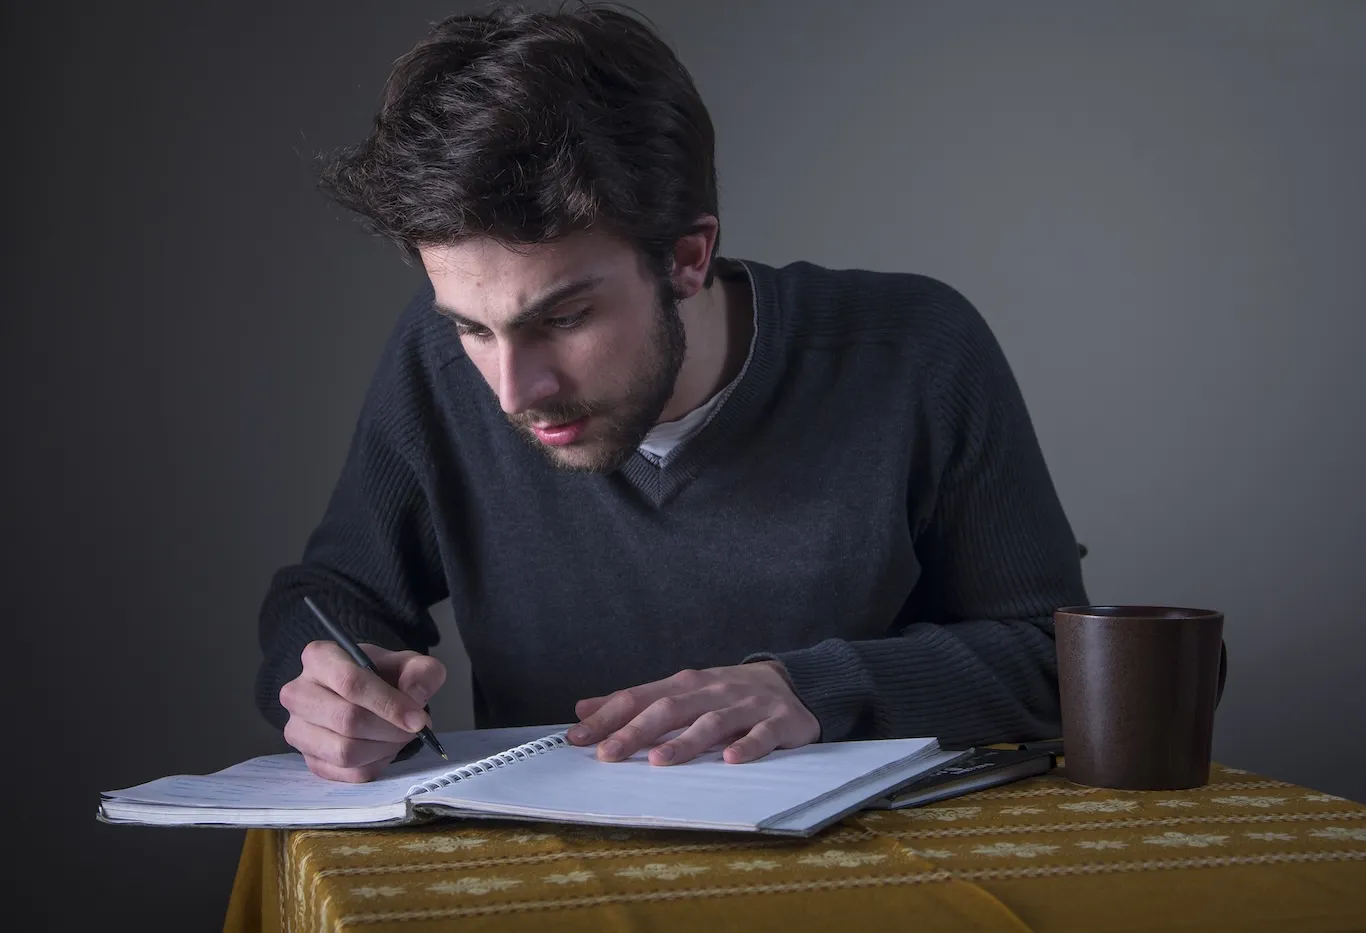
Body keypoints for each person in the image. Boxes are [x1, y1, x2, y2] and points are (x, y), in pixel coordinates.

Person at [257, 5, 1089, 783]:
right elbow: (331, 596)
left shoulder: (916, 352)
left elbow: (1058, 663)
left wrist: (812, 688)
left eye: (567, 315)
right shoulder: (436, 362)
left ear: (688, 257)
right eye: (473, 328)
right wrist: (327, 685)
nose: (516, 390)